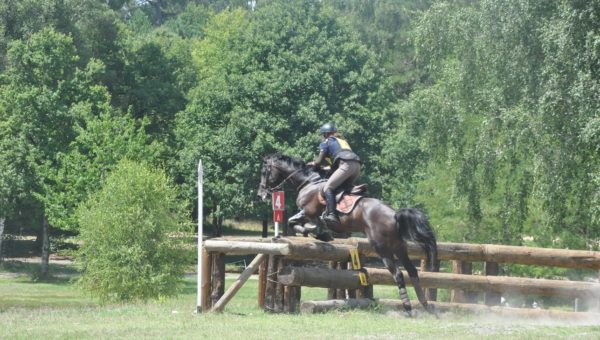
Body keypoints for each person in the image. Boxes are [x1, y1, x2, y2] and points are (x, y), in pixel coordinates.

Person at [307, 122, 360, 227]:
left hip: (346, 165)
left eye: (323, 135)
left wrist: (313, 163)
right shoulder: (342, 142)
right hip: (356, 166)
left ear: (325, 134)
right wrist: (325, 168)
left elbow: (318, 161)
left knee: (328, 188)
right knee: (342, 188)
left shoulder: (326, 142)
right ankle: (345, 211)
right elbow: (335, 165)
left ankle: (332, 215)